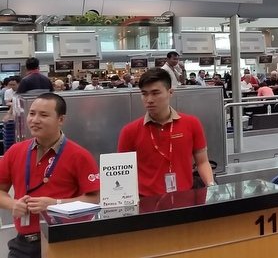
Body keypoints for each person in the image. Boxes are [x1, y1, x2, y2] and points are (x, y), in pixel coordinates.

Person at [0, 93, 100, 258]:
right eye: (32, 114)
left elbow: (95, 198)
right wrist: (13, 204)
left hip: (64, 242)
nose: (35, 120)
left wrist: (55, 204)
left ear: (61, 120)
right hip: (23, 244)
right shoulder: (15, 152)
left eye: (44, 115)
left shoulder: (79, 155)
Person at [117, 68, 214, 197]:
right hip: (146, 202)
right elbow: (123, 173)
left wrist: (211, 186)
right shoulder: (130, 131)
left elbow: (202, 162)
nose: (149, 99)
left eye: (155, 93)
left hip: (185, 198)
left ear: (170, 93)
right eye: (144, 94)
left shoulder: (191, 124)